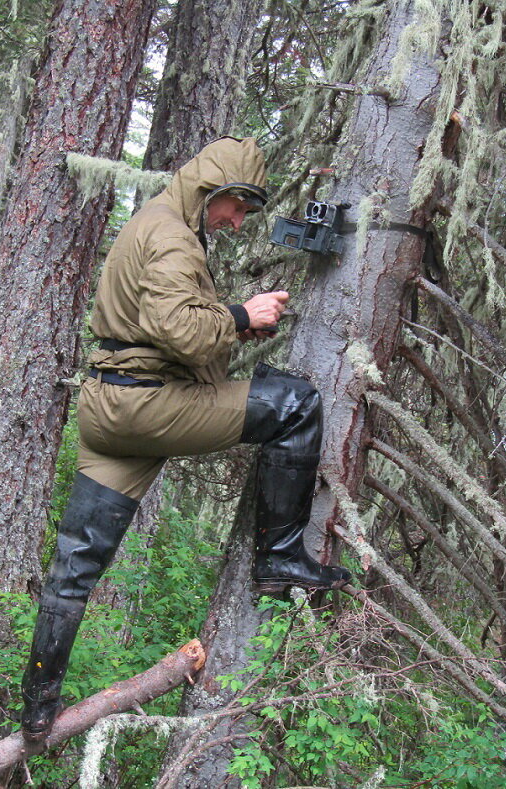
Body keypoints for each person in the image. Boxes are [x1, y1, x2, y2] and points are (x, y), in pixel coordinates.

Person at [20, 136, 350, 742]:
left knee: (74, 568)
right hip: (146, 406)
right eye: (236, 206)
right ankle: (279, 560)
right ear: (208, 190)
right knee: (295, 403)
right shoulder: (172, 233)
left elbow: (160, 325)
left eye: (247, 211)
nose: (237, 220)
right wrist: (242, 316)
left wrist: (226, 321)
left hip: (109, 411)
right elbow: (181, 331)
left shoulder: (153, 223)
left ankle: (38, 710)